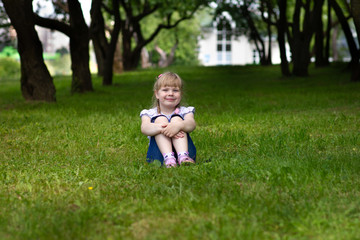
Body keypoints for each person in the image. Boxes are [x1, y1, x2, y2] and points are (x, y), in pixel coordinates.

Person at [140, 72, 196, 168]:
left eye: (175, 90)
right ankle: (169, 159)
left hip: (186, 151)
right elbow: (144, 128)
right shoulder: (149, 114)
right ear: (157, 94)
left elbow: (191, 124)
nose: (170, 93)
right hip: (159, 155)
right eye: (165, 90)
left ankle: (183, 157)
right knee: (160, 119)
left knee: (176, 118)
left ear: (181, 94)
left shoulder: (185, 111)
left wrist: (178, 126)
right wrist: (164, 128)